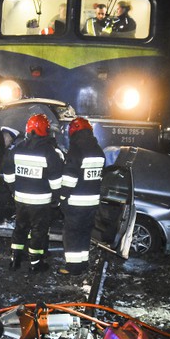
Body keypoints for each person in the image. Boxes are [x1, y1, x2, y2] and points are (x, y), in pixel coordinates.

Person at [1, 113, 64, 273]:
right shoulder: (49, 151)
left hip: (20, 199)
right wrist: (56, 200)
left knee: (20, 228)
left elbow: (8, 172)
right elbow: (56, 180)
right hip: (41, 201)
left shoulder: (18, 148)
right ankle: (35, 263)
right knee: (38, 230)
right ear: (46, 131)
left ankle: (15, 259)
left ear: (28, 129)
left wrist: (14, 190)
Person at [58, 117, 105, 275]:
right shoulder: (98, 150)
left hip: (76, 203)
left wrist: (62, 197)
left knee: (72, 234)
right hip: (92, 203)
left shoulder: (76, 149)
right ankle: (83, 263)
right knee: (85, 233)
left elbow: (70, 177)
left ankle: (73, 267)